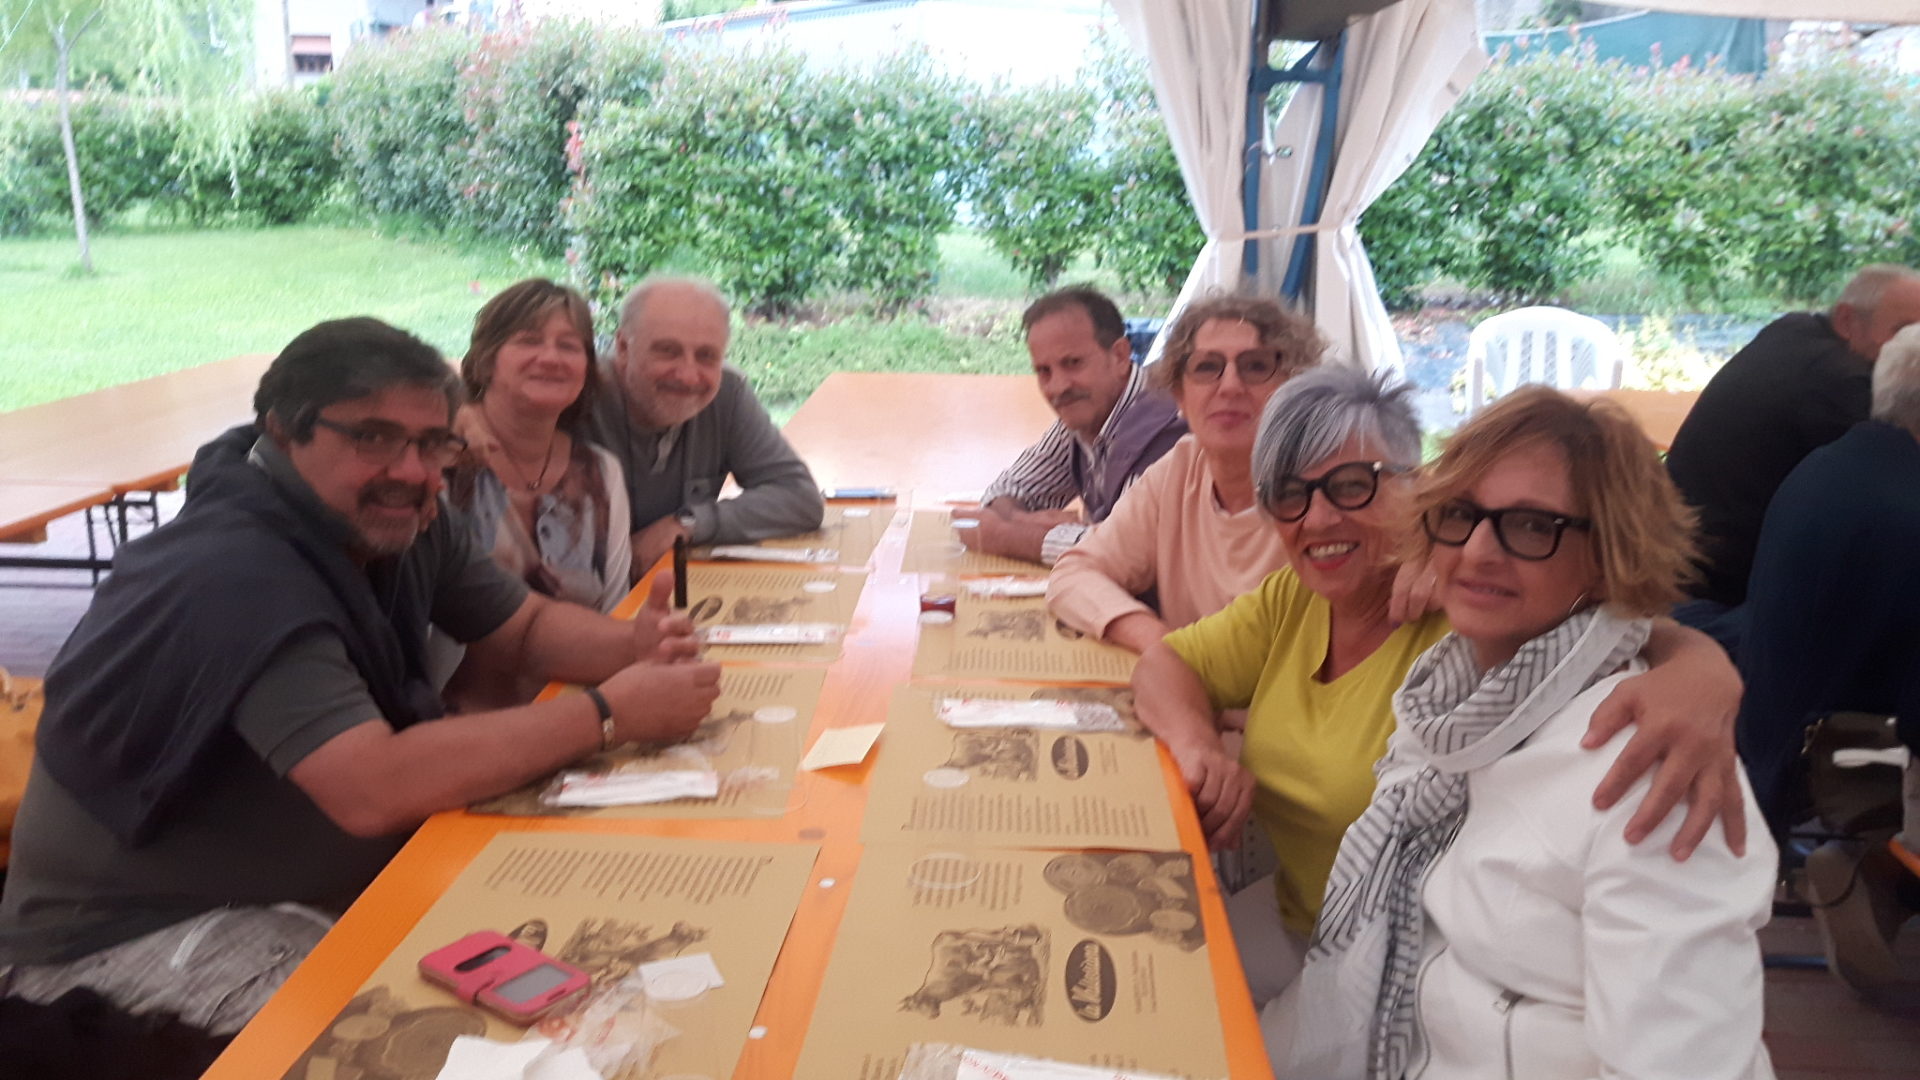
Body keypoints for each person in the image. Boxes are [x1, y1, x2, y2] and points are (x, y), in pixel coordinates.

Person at [0, 319, 722, 1036]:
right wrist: (605, 715)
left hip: (313, 886)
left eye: (432, 443)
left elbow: (525, 628)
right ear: (283, 431)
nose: (410, 469)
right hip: (125, 938)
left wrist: (633, 644)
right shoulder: (237, 574)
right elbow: (372, 788)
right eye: (372, 436)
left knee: (603, 945)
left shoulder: (399, 518)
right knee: (414, 1042)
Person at [1132, 368, 1750, 1009]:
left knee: (1162, 1008)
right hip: (1295, 920)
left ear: (1416, 483)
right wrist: (1196, 744)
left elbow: (1594, 630)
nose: (1317, 516)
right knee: (1136, 975)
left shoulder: (1468, 618)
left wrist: (1697, 664)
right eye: (1289, 493)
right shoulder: (1298, 598)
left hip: (1406, 968)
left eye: (1352, 485)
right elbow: (1164, 664)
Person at [1267, 386, 1774, 1080]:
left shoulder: (1653, 771)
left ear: (1609, 554)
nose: (1478, 550)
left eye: (1533, 527)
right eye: (1460, 515)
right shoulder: (1446, 713)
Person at [1048, 295, 1318, 653]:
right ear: (1179, 396)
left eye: (1256, 366)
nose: (1230, 386)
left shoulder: (1328, 489)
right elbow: (1074, 573)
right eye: (1207, 367)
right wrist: (1163, 645)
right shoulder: (1180, 470)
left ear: (1293, 388)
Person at [1666, 263, 1920, 615]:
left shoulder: (1791, 330)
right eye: (1903, 330)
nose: (1910, 345)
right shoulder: (1839, 380)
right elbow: (1896, 479)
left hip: (1673, 557)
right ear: (1847, 320)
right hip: (1722, 591)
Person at [591, 275, 824, 575]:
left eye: (706, 356)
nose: (688, 375)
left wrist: (687, 524)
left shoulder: (726, 395)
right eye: (668, 351)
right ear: (623, 347)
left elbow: (799, 497)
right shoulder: (578, 399)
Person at [962, 286, 1186, 565]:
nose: (1058, 387)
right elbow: (1009, 488)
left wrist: (1007, 536)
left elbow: (1129, 551)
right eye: (1044, 371)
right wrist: (1020, 519)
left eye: (1073, 363)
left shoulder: (1171, 430)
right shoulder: (1085, 413)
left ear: (1119, 356)